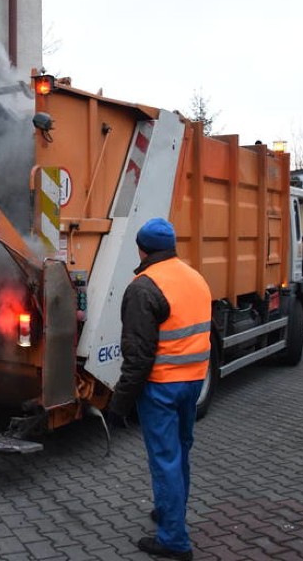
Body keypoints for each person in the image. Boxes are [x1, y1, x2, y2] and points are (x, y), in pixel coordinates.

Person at [107, 217, 212, 561]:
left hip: (163, 387)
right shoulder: (194, 277)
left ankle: (173, 541)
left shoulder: (144, 287)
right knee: (180, 452)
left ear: (141, 248)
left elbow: (138, 357)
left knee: (164, 459)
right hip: (193, 382)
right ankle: (170, 510)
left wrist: (119, 404)